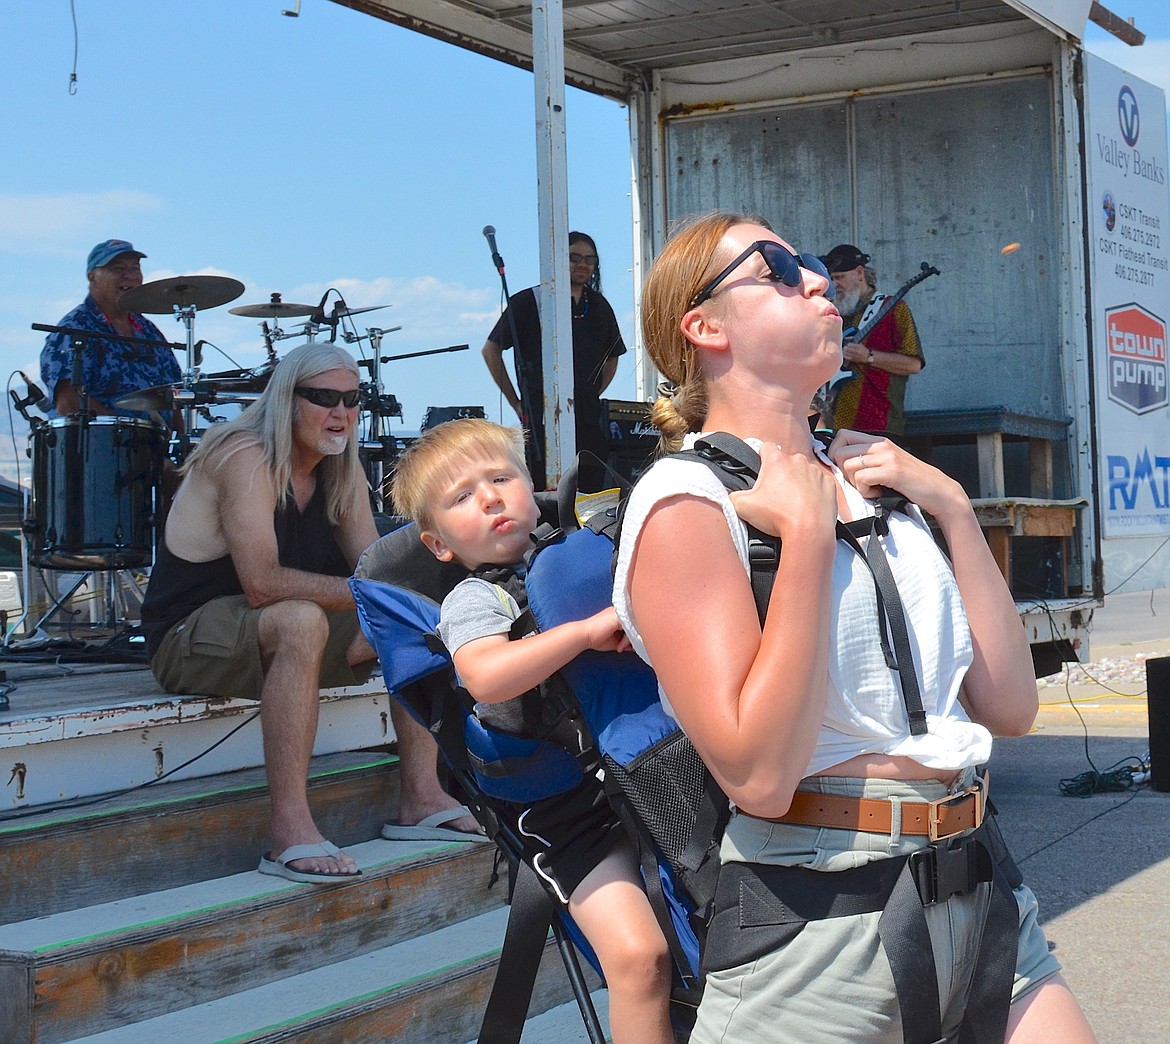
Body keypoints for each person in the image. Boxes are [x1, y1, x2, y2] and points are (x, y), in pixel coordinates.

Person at [612, 213, 1097, 1042]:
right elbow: (760, 776)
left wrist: (950, 508)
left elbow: (1011, 708)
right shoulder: (685, 503)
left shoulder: (884, 477)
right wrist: (803, 536)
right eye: (774, 269)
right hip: (818, 927)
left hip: (981, 890)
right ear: (704, 327)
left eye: (810, 264)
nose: (814, 281)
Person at [140, 341, 484, 885]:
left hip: (273, 637)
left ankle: (422, 798)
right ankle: (288, 830)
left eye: (353, 399)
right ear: (286, 400)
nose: (341, 412)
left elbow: (379, 575)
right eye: (324, 397)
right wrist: (378, 596)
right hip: (187, 636)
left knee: (416, 618)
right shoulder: (243, 455)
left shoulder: (338, 469)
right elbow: (261, 584)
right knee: (302, 618)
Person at [391, 417, 673, 1044]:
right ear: (439, 545)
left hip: (662, 774)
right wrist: (579, 634)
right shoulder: (475, 598)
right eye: (462, 497)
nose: (489, 497)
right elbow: (485, 675)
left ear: (531, 486)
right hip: (569, 813)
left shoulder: (593, 551)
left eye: (500, 478)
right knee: (638, 959)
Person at [482, 231, 626, 489]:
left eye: (589, 259)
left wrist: (591, 392)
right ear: (559, 260)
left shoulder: (599, 305)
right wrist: (515, 401)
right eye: (574, 257)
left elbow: (613, 356)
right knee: (546, 495)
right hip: (540, 421)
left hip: (589, 422)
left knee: (591, 495)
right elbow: (491, 349)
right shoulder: (530, 302)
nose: (582, 264)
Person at [39, 239, 184, 437]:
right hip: (98, 456)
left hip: (158, 455)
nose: (130, 276)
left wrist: (183, 452)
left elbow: (173, 396)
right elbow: (68, 402)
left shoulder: (148, 331)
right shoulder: (74, 328)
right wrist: (135, 441)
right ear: (92, 277)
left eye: (135, 268)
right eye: (118, 269)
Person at [821, 243, 924, 436]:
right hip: (833, 425)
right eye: (832, 279)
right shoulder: (836, 314)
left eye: (840, 277)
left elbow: (913, 364)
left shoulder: (893, 309)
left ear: (859, 273)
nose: (834, 285)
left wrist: (869, 356)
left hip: (878, 425)